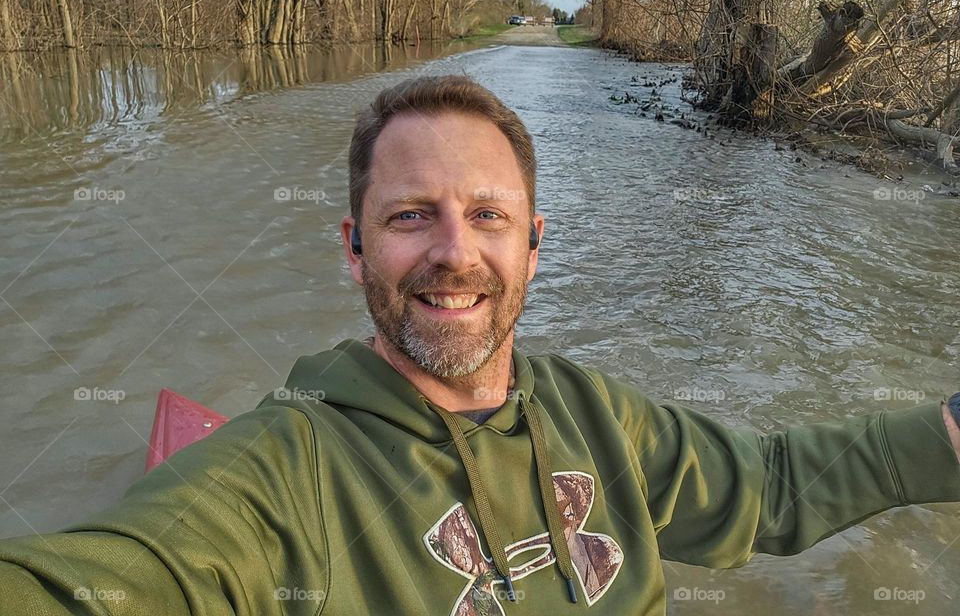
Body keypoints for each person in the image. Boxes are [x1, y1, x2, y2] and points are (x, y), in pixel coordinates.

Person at [1, 75, 959, 615]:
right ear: (354, 247)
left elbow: (772, 487)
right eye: (412, 215)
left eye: (489, 216)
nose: (455, 253)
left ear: (533, 246)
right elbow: (113, 582)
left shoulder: (598, 416)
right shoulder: (283, 467)